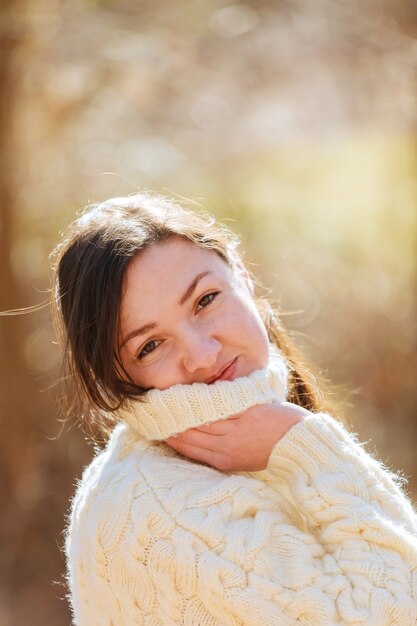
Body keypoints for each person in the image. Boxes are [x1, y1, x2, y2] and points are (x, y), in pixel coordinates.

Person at [55, 192, 417, 626]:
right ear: (115, 379)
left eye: (205, 301)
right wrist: (309, 448)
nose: (203, 355)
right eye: (150, 346)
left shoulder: (259, 436)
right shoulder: (163, 506)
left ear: (242, 276)